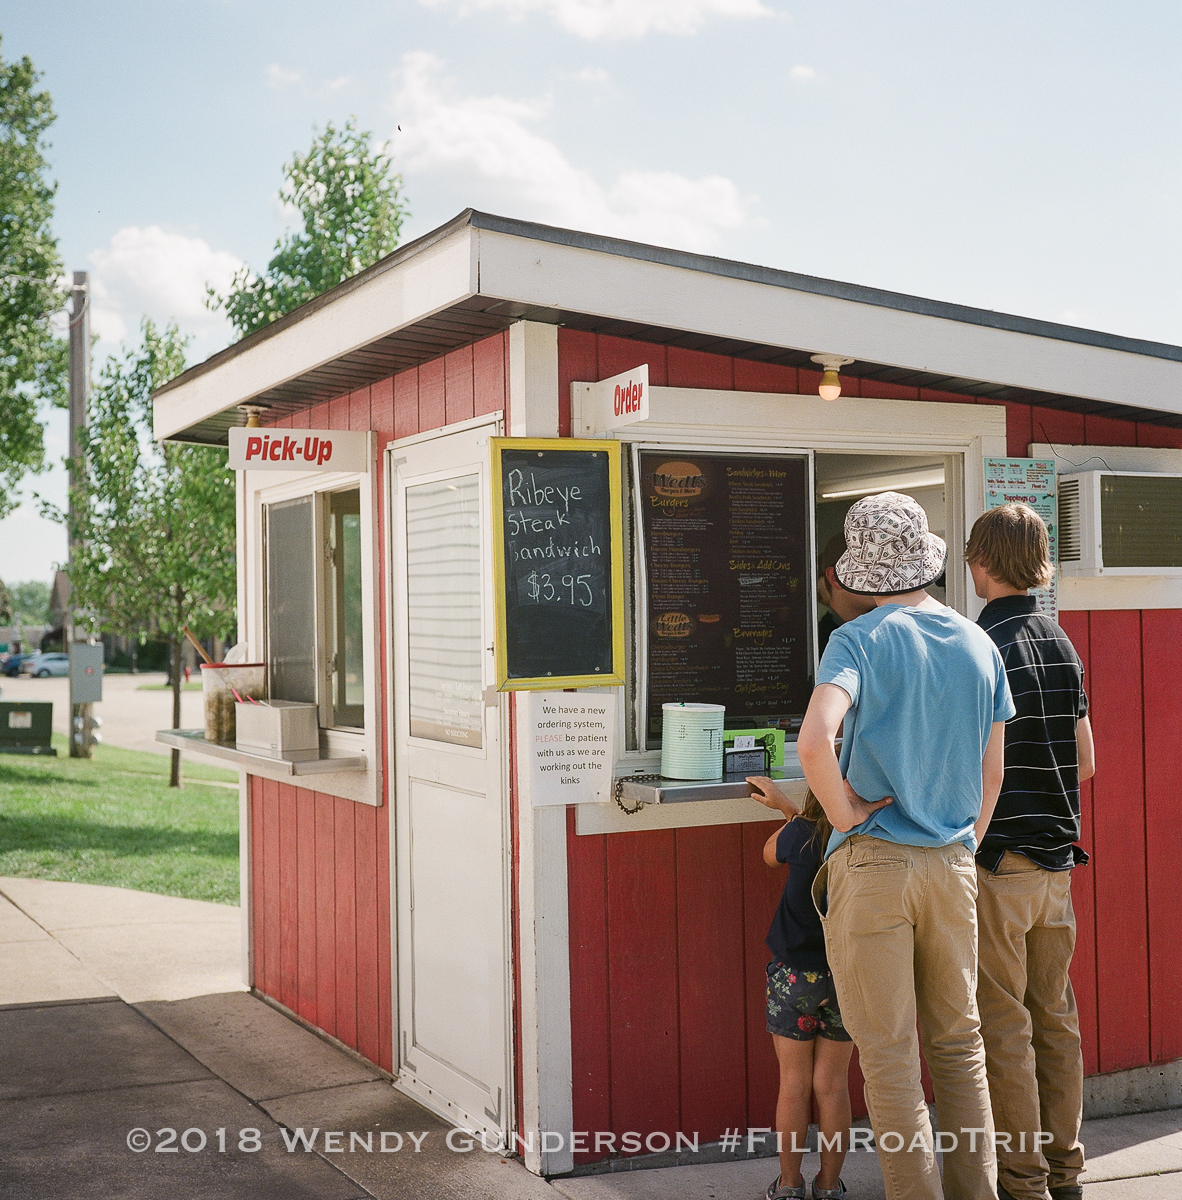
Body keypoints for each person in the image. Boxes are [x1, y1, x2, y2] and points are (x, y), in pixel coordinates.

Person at [758, 491, 1014, 1200]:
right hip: (952, 863)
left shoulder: (857, 640)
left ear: (861, 570)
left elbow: (814, 742)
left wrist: (843, 816)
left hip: (874, 867)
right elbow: (993, 772)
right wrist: (962, 845)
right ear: (925, 560)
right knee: (960, 1049)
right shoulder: (979, 642)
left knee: (891, 1061)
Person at [966, 503, 1095, 1200]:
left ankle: (1022, 1181)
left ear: (981, 562)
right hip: (1058, 865)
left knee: (1005, 1028)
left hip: (999, 862)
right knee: (1057, 1020)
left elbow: (969, 763)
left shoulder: (982, 644)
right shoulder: (1061, 642)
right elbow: (1087, 762)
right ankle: (1066, 1171)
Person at [748, 784, 855, 1200]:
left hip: (794, 977)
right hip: (844, 975)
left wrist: (789, 811)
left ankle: (789, 1185)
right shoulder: (867, 838)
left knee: (793, 1085)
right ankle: (828, 1186)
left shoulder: (800, 833)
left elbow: (768, 854)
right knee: (833, 1086)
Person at [816, 533, 876, 656]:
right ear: (835, 578)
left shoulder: (891, 631)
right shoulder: (817, 645)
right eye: (865, 566)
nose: (878, 575)